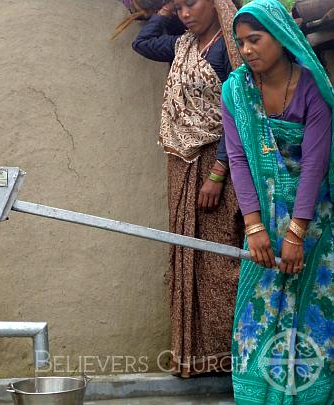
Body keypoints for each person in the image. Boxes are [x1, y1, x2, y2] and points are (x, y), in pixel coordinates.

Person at [222, 0, 334, 402]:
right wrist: (254, 226)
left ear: (282, 38)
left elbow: (317, 164)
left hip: (314, 215)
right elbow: (238, 158)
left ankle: (309, 395)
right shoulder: (235, 90)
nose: (247, 49)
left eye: (256, 39)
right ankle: (259, 395)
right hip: (263, 214)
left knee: (310, 306)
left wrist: (297, 232)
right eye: (241, 42)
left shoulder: (313, 88)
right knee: (260, 301)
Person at [132, 0, 244, 377]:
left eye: (190, 4)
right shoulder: (181, 47)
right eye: (178, 7)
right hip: (182, 160)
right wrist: (164, 11)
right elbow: (143, 43)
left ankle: (233, 358)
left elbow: (238, 112)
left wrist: (217, 173)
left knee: (221, 254)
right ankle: (196, 356)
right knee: (187, 252)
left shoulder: (228, 50)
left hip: (222, 162)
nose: (184, 14)